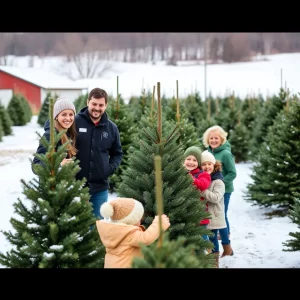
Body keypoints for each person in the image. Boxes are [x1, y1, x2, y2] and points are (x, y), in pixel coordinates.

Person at [75, 88, 123, 220]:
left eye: (101, 105)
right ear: (88, 102)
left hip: (99, 188)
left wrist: (108, 169)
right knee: (76, 227)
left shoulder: (111, 128)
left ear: (106, 105)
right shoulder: (75, 122)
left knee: (98, 225)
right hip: (76, 187)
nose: (97, 108)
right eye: (94, 104)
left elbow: (117, 153)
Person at [96, 197, 170, 268]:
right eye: (138, 219)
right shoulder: (129, 234)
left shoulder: (113, 230)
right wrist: (160, 223)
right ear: (129, 221)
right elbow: (146, 238)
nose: (140, 221)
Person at [202, 125, 237, 240]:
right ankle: (215, 240)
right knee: (212, 215)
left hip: (224, 190)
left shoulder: (226, 154)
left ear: (222, 139)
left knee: (222, 215)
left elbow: (232, 173)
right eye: (211, 138)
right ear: (207, 139)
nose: (213, 140)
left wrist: (220, 183)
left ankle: (226, 241)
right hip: (210, 189)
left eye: (216, 138)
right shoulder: (207, 153)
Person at [200, 150, 233, 268]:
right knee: (209, 239)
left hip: (213, 215)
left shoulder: (218, 181)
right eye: (203, 164)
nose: (206, 166)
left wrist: (202, 190)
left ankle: (215, 263)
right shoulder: (203, 178)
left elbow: (215, 198)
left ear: (214, 165)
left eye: (209, 164)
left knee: (213, 239)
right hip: (204, 215)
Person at [32, 97, 77, 172]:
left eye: (71, 114)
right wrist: (59, 164)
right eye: (64, 114)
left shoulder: (67, 133)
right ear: (56, 116)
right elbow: (36, 167)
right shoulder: (50, 136)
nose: (68, 118)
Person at [183, 146, 211, 241]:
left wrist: (191, 178)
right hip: (184, 212)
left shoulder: (203, 174)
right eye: (188, 159)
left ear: (198, 163)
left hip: (199, 214)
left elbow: (203, 185)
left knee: (202, 238)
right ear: (183, 160)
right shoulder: (179, 173)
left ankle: (207, 253)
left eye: (195, 160)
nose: (191, 162)